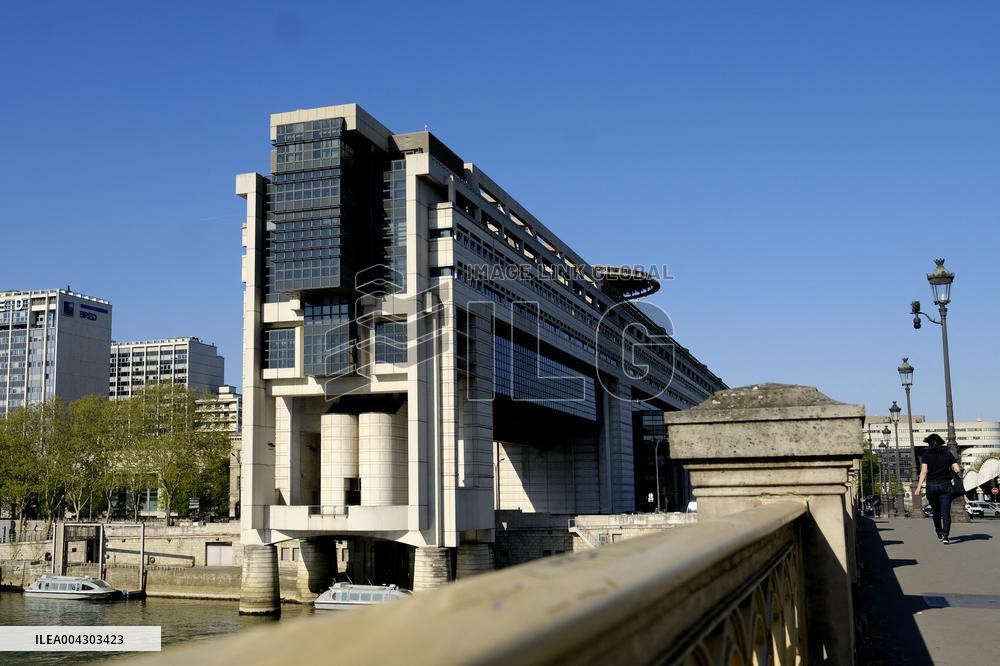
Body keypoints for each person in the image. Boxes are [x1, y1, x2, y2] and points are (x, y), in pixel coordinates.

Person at [914, 433, 962, 544]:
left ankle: (938, 532)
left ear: (929, 444)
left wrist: (918, 487)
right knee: (945, 512)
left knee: (936, 512)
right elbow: (957, 469)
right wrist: (954, 467)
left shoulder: (926, 456)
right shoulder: (948, 454)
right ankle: (945, 535)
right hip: (945, 485)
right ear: (941, 443)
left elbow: (924, 472)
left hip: (931, 486)